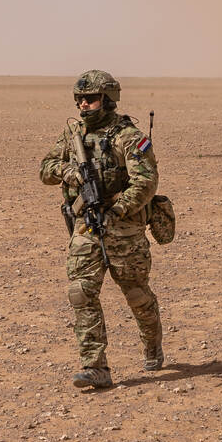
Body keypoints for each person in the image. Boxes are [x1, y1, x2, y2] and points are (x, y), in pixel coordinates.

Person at [40, 70, 163, 389]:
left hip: (124, 228)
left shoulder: (129, 135)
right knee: (81, 290)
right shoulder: (72, 133)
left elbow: (146, 181)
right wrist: (68, 172)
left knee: (137, 296)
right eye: (79, 99)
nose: (83, 104)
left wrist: (119, 208)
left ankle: (152, 344)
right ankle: (95, 366)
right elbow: (46, 169)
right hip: (87, 227)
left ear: (107, 100)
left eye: (90, 98)